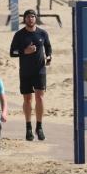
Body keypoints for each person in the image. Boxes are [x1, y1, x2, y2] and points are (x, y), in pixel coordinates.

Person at [9, 9, 52, 141]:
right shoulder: (19, 35)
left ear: (36, 18)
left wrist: (49, 56)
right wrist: (24, 51)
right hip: (25, 71)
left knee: (40, 98)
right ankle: (28, 127)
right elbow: (12, 52)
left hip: (39, 71)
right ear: (25, 19)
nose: (31, 19)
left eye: (33, 17)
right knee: (27, 99)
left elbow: (48, 47)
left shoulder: (42, 33)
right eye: (28, 17)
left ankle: (39, 127)